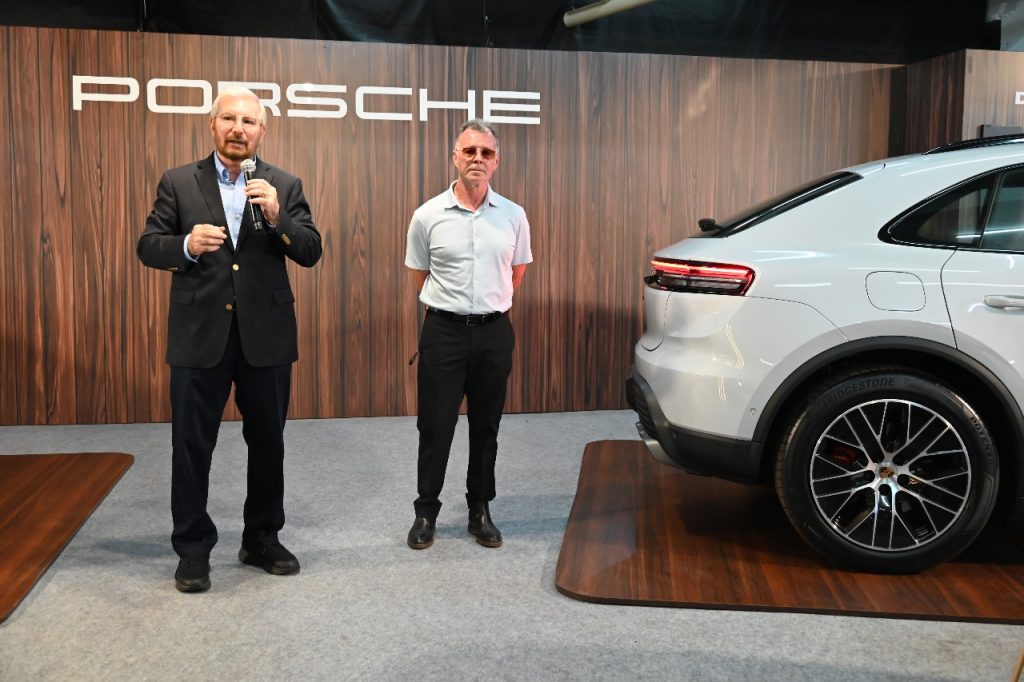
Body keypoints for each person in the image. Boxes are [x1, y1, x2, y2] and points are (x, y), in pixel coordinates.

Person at [137, 87, 322, 592]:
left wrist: (280, 219)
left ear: (262, 130)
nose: (238, 128)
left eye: (249, 121)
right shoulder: (179, 181)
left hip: (266, 336)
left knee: (268, 442)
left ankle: (261, 538)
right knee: (191, 444)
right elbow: (148, 246)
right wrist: (185, 245)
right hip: (200, 335)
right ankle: (193, 548)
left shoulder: (284, 184)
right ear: (212, 124)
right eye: (229, 119)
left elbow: (311, 250)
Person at [404, 119, 532, 550]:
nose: (478, 158)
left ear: (496, 162)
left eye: (486, 152)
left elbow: (516, 272)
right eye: (470, 151)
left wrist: (487, 306)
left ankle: (480, 509)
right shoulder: (427, 215)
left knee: (486, 424)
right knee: (435, 425)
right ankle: (426, 511)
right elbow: (419, 275)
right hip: (444, 333)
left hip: (494, 333)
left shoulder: (514, 216)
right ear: (455, 157)